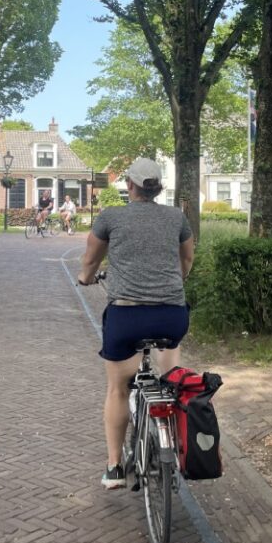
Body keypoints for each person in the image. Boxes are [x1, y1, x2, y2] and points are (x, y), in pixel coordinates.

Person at [78, 157, 195, 490]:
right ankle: (172, 432)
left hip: (127, 316)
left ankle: (115, 467)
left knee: (117, 389)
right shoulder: (177, 217)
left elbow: (90, 260)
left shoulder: (110, 217)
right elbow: (186, 259)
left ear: (129, 185)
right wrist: (176, 280)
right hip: (171, 315)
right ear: (157, 187)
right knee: (171, 377)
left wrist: (85, 278)